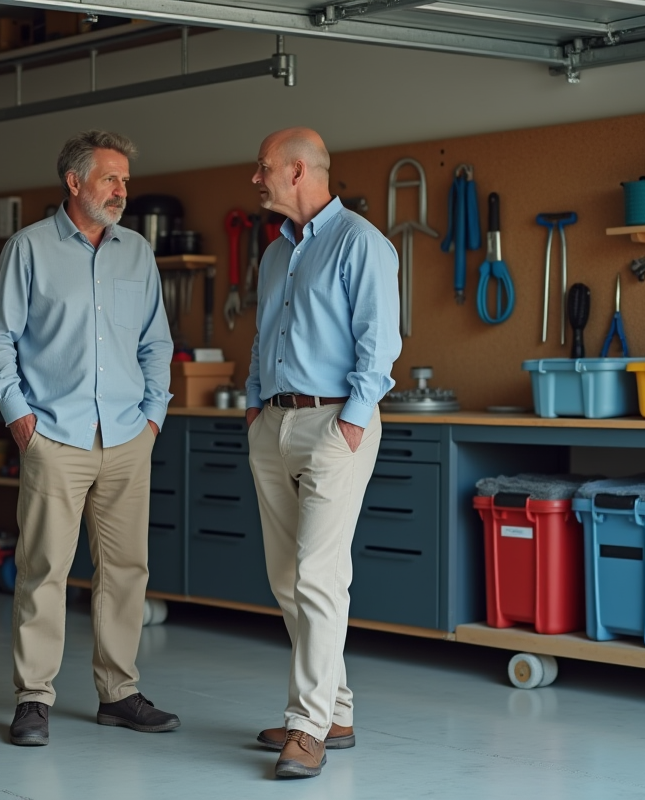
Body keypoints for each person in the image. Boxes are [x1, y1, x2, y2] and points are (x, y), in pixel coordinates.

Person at [0, 130, 178, 748]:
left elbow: (156, 342)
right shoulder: (29, 248)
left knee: (126, 571)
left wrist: (153, 416)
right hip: (55, 436)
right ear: (74, 181)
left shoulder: (137, 252)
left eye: (124, 181)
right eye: (109, 179)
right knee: (43, 570)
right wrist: (21, 421)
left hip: (127, 435)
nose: (121, 191)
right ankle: (33, 699)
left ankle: (118, 693)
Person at [244, 127, 401, 779]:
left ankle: (306, 728)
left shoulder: (361, 243)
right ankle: (334, 711)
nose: (256, 179)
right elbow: (264, 337)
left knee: (318, 575)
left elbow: (379, 341)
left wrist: (353, 422)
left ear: (298, 170)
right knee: (288, 578)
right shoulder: (274, 253)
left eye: (264, 168)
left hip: (334, 423)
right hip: (274, 423)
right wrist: (254, 404)